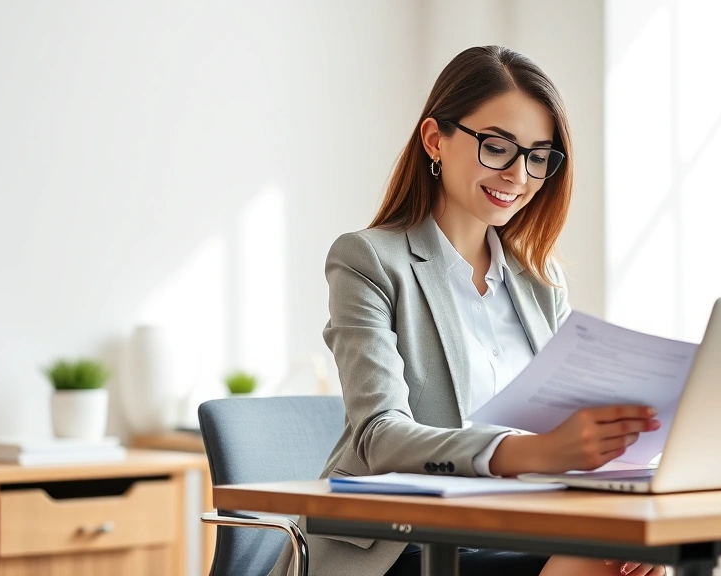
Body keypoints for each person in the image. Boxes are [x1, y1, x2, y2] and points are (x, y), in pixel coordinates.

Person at [269, 45, 666, 576]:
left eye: (537, 156)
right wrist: (534, 452)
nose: (518, 175)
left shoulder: (541, 284)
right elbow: (380, 437)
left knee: (628, 560)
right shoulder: (368, 260)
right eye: (497, 147)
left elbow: (568, 433)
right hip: (401, 548)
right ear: (436, 139)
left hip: (518, 534)